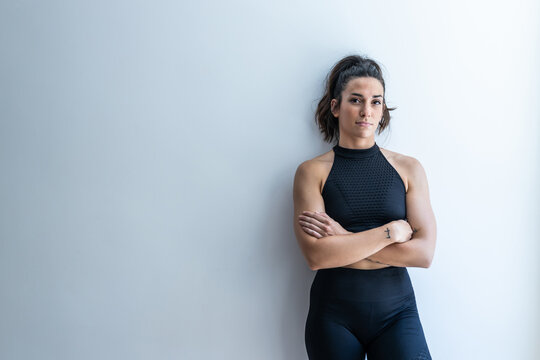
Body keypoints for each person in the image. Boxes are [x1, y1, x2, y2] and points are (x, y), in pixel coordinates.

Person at [292, 54, 437, 360]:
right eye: (356, 100)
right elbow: (317, 256)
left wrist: (344, 239)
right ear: (335, 107)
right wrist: (391, 232)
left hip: (397, 314)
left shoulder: (409, 169)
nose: (366, 111)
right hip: (333, 317)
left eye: (376, 101)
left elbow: (424, 254)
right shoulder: (312, 172)